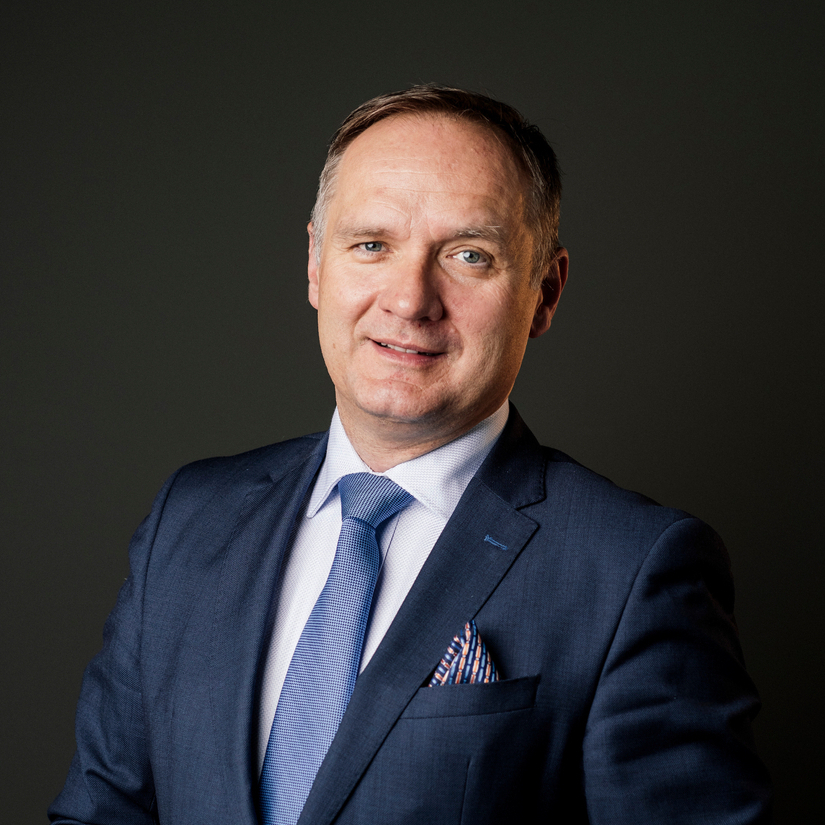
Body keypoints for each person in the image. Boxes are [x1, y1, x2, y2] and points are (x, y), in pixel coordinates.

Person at [49, 85, 772, 824]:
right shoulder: (189, 520)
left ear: (545, 292)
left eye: (469, 255)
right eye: (371, 245)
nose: (409, 299)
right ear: (315, 263)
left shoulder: (631, 568)